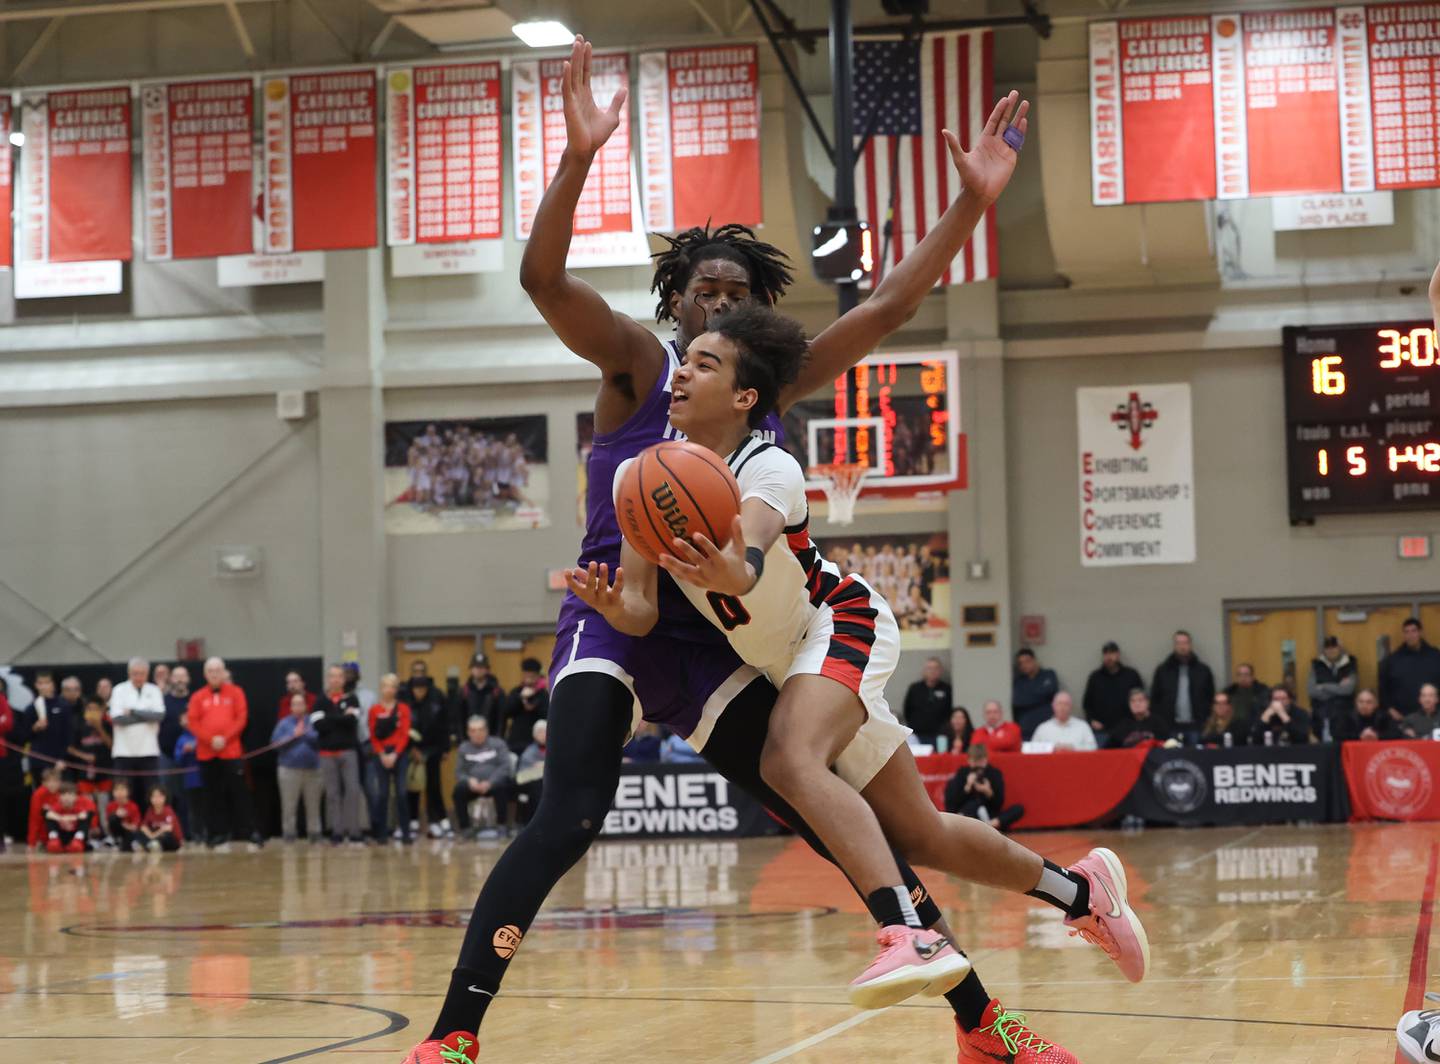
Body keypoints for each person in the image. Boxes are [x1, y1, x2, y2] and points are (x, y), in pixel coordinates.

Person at [403, 37, 1070, 1064]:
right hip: (616, 610)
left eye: (732, 292)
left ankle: (981, 1021)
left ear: (753, 321)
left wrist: (972, 205)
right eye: (701, 289)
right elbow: (541, 276)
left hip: (720, 632)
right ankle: (453, 1034)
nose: (713, 303)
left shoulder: (766, 390)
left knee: (833, 816)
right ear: (675, 299)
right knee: (571, 810)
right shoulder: (640, 363)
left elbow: (888, 306)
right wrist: (579, 156)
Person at [572, 302, 1147, 1009]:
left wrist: (726, 572)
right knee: (922, 832)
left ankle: (909, 932)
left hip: (838, 623)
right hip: (790, 665)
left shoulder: (768, 464)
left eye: (704, 365)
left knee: (787, 759)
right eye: (682, 363)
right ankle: (1081, 891)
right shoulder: (641, 476)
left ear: (746, 397)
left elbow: (746, 563)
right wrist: (611, 607)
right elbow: (642, 606)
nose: (681, 374)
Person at [188, 656, 259, 852]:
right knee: (211, 796)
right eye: (211, 671)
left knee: (240, 793)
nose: (214, 674)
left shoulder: (236, 692)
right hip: (207, 753)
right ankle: (215, 835)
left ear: (224, 672)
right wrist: (210, 739)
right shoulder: (197, 697)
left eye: (218, 670)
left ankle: (250, 832)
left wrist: (225, 738)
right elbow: (193, 722)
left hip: (231, 751)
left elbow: (241, 718)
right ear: (205, 674)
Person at [314, 664, 365, 845]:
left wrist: (330, 718)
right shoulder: (320, 700)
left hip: (348, 751)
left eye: (339, 676)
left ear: (344, 679)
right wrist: (341, 717)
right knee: (332, 794)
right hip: (327, 753)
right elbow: (318, 726)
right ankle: (337, 830)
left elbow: (352, 722)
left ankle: (354, 830)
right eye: (332, 676)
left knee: (352, 791)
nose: (335, 679)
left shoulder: (353, 699)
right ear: (328, 679)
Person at [407, 660, 454, 839]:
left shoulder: (437, 697)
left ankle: (439, 820)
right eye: (416, 689)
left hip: (433, 749)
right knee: (412, 784)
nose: (418, 692)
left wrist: (445, 748)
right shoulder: (405, 697)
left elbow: (445, 725)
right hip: (412, 751)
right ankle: (413, 821)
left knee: (433, 786)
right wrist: (412, 749)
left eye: (422, 689)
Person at [108, 657, 166, 791]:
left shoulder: (154, 690)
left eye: (142, 673)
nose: (138, 677)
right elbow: (117, 719)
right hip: (124, 751)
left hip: (149, 750)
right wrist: (147, 716)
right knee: (124, 792)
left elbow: (159, 715)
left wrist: (133, 711)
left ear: (147, 673)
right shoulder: (119, 690)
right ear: (129, 673)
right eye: (135, 673)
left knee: (151, 791)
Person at [272, 692, 323, 843]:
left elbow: (320, 740)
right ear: (291, 707)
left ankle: (314, 833)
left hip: (313, 770)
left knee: (313, 805)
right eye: (295, 704)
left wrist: (304, 734)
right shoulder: (283, 723)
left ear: (306, 706)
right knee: (289, 805)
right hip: (289, 770)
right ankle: (289, 834)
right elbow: (275, 744)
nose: (298, 706)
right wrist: (293, 735)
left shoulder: (314, 722)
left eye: (301, 703)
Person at [452, 716, 514, 839]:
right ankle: (465, 829)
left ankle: (502, 826)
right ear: (468, 732)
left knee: (503, 786)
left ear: (486, 730)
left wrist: (490, 782)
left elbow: (505, 767)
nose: (477, 734)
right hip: (473, 785)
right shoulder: (464, 748)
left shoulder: (498, 744)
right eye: (473, 730)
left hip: (494, 783)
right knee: (458, 791)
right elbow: (459, 772)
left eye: (480, 729)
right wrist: (469, 781)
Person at [370, 673, 413, 844]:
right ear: (381, 688)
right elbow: (373, 735)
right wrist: (382, 754)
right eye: (387, 686)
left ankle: (406, 832)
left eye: (393, 686)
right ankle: (381, 833)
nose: (390, 689)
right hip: (381, 754)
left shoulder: (403, 709)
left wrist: (395, 754)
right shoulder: (375, 710)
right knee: (382, 794)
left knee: (402, 793)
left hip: (399, 754)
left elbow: (404, 734)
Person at [1150, 630, 1215, 740]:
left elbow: (1210, 697)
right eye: (1178, 643)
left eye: (1185, 643)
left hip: (1197, 726)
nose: (1182, 646)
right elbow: (1155, 698)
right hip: (1170, 726)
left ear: (1190, 645)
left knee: (1196, 756)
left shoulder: (1203, 670)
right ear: (1174, 646)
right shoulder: (1163, 670)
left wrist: (1206, 719)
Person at [944, 744, 1023, 833]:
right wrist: (967, 787)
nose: (978, 765)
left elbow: (999, 804)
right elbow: (952, 803)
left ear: (986, 760)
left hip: (989, 815)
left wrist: (988, 792)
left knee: (1018, 809)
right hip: (968, 814)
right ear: (969, 760)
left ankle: (988, 825)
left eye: (980, 761)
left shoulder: (994, 773)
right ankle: (980, 827)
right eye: (975, 761)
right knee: (974, 804)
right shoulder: (962, 773)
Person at [1082, 641, 1143, 741]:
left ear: (1118, 655)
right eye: (1106, 654)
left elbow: (1141, 701)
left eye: (1112, 653)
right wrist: (1092, 720)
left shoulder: (1131, 675)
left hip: (1129, 729)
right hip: (1102, 731)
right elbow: (1087, 704)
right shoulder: (1095, 677)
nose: (1109, 657)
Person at [1382, 618, 1440, 721]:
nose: (1410, 635)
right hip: (1401, 717)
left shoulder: (1435, 656)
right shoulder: (1393, 660)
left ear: (1420, 632)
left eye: (1414, 631)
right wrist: (1390, 709)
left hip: (1433, 717)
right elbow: (1384, 688)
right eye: (1406, 632)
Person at [0, 676, 32, 846]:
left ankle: (8, 833)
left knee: (7, 797)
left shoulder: (12, 710)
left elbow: (11, 727)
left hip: (8, 763)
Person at [28, 673, 75, 780]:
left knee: (63, 793)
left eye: (47, 682)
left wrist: (62, 758)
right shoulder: (31, 708)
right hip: (38, 761)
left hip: (59, 761)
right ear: (36, 685)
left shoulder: (63, 706)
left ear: (53, 684)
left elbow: (68, 734)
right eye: (40, 683)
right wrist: (35, 728)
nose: (44, 686)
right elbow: (24, 735)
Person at [1308, 637, 1357, 732]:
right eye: (1327, 648)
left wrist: (1323, 686)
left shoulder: (1350, 663)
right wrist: (1338, 687)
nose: (1331, 650)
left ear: (1340, 648)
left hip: (1345, 714)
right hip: (1320, 714)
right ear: (1324, 650)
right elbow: (1312, 691)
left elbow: (1348, 690)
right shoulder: (1316, 665)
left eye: (1334, 647)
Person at [69, 696, 113, 801]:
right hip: (84, 773)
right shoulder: (78, 725)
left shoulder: (108, 725)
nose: (92, 711)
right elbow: (69, 748)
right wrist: (84, 756)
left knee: (104, 806)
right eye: (89, 708)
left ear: (102, 710)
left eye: (95, 709)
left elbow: (112, 746)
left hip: (104, 772)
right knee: (87, 806)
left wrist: (99, 727)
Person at [501, 659, 549, 755]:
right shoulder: (517, 691)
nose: (529, 679)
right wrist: (521, 698)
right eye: (526, 676)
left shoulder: (543, 694)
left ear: (538, 676)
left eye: (532, 676)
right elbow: (506, 711)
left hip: (536, 743)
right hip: (516, 740)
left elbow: (546, 715)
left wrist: (535, 705)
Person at [903, 657, 953, 748]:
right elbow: (907, 710)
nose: (932, 671)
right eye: (929, 668)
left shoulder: (947, 689)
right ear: (924, 671)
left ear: (941, 671)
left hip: (940, 736)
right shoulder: (915, 688)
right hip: (917, 735)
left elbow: (950, 711)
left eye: (936, 668)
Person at [1011, 648, 1060, 739]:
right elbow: (1018, 701)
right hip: (1027, 729)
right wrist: (1043, 696)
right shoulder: (1018, 681)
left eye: (1027, 661)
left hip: (1048, 726)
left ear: (1034, 661)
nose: (1024, 665)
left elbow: (1052, 691)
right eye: (1021, 663)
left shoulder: (1049, 674)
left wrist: (1028, 696)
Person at [455, 654, 505, 738]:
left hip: (491, 739)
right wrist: (461, 740)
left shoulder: (496, 692)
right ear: (471, 669)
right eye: (475, 667)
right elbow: (459, 719)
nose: (478, 670)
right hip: (469, 740)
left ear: (487, 670)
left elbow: (501, 719)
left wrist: (498, 738)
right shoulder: (463, 691)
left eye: (482, 667)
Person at [1030, 693, 1097, 751]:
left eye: (1066, 704)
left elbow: (1093, 748)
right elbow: (1032, 749)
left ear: (1071, 707)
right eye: (1059, 704)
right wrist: (1052, 748)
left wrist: (1074, 748)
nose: (1062, 707)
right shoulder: (1042, 728)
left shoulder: (1083, 726)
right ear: (1053, 706)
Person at [172, 726, 205, 842]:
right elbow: (177, 759)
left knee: (207, 807)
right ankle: (195, 834)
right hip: (190, 780)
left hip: (205, 778)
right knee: (193, 809)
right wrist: (184, 752)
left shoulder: (203, 735)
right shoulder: (182, 739)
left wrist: (197, 748)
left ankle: (209, 833)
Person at [43, 781, 95, 854]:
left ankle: (78, 840)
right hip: (61, 837)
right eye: (63, 794)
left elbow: (85, 815)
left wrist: (71, 818)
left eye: (70, 794)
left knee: (85, 820)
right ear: (59, 796)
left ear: (75, 796)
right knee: (50, 819)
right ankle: (54, 839)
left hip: (75, 835)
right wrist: (61, 818)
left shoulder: (80, 805)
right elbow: (48, 814)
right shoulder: (57, 805)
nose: (66, 797)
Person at [515, 720, 546, 826]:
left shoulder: (556, 750)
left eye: (545, 732)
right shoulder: (529, 752)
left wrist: (542, 767)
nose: (543, 735)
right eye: (540, 732)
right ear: (534, 735)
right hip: (532, 786)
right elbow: (521, 777)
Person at [1222, 662, 1271, 729]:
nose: (1243, 678)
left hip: (1255, 727)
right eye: (1239, 675)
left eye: (1246, 675)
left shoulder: (1262, 692)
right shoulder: (1229, 692)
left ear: (1252, 676)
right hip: (1232, 728)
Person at [139, 784, 183, 852]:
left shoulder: (168, 810)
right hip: (156, 837)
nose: (157, 799)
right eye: (154, 796)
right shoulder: (150, 810)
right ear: (150, 798)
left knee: (166, 835)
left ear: (165, 797)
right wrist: (150, 835)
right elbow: (143, 826)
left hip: (172, 841)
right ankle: (150, 845)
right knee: (139, 832)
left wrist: (153, 835)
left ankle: (153, 845)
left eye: (160, 796)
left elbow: (168, 828)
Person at [27, 766, 62, 850]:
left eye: (55, 781)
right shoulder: (38, 795)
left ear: (60, 782)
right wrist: (32, 843)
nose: (52, 784)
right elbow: (34, 819)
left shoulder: (64, 793)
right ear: (43, 783)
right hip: (45, 835)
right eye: (48, 781)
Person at [105, 779, 142, 852]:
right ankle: (114, 840)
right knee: (113, 817)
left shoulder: (133, 806)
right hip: (115, 832)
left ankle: (126, 844)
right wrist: (116, 815)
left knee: (126, 846)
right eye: (116, 789)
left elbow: (135, 826)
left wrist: (125, 825)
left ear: (128, 791)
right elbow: (108, 824)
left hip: (129, 833)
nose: (119, 792)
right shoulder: (110, 806)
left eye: (122, 789)